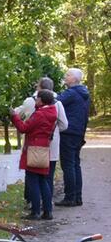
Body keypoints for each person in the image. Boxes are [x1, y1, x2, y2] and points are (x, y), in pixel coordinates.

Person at [11, 89, 58, 220]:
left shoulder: (40, 114)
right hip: (43, 148)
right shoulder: (51, 112)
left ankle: (35, 211)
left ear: (42, 100)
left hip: (34, 148)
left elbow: (24, 128)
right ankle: (48, 211)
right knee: (43, 180)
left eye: (37, 99)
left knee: (32, 180)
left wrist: (14, 116)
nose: (35, 101)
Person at [55, 68, 90, 207]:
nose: (65, 76)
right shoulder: (84, 93)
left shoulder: (70, 93)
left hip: (68, 132)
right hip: (78, 132)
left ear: (75, 79)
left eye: (68, 75)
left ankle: (70, 197)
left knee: (68, 165)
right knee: (75, 164)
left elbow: (55, 102)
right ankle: (77, 197)